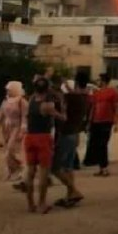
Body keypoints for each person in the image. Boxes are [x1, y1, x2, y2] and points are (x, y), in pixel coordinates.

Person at [23, 77, 64, 214]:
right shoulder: (47, 105)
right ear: (47, 89)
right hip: (43, 138)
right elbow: (62, 117)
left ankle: (30, 204)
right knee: (43, 173)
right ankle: (41, 204)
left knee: (30, 172)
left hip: (29, 137)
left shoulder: (31, 100)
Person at [50, 73, 88, 208]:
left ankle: (74, 190)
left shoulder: (69, 98)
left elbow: (55, 93)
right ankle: (70, 195)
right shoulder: (83, 99)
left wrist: (48, 79)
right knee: (68, 167)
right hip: (74, 134)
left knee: (54, 167)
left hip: (66, 135)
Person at [83, 72, 118, 177]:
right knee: (96, 145)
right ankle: (101, 167)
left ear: (103, 81)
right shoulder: (96, 93)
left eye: (99, 80)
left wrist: (116, 123)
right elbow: (92, 108)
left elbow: (116, 108)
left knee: (102, 145)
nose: (97, 82)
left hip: (106, 122)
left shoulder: (112, 93)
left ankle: (104, 168)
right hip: (96, 122)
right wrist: (89, 122)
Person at [0, 81, 28, 182]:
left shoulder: (22, 102)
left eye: (9, 89)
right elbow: (0, 114)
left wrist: (23, 130)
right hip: (6, 128)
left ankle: (19, 167)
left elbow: (25, 117)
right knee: (7, 149)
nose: (7, 91)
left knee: (10, 150)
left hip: (16, 128)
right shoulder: (6, 101)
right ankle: (11, 171)